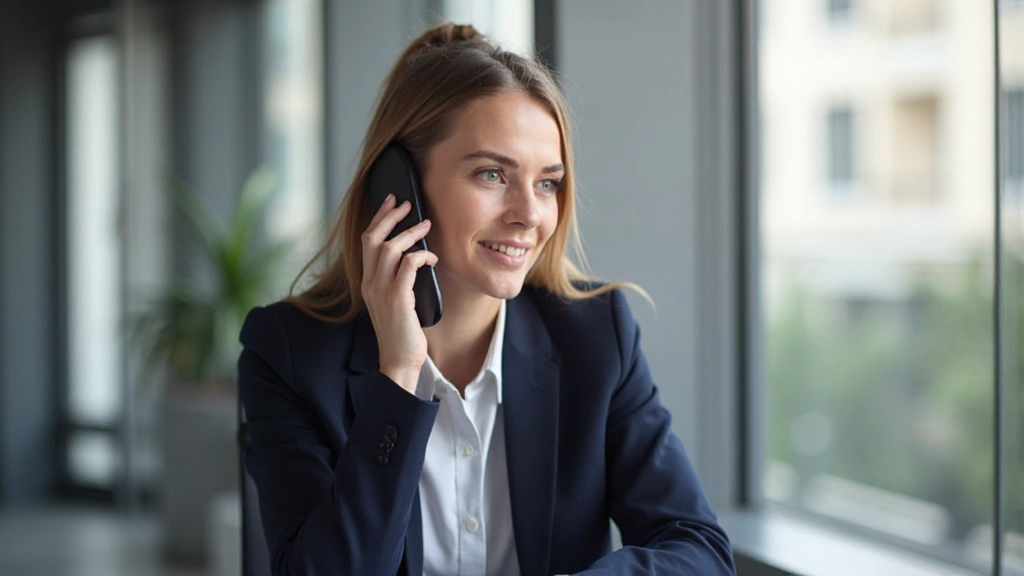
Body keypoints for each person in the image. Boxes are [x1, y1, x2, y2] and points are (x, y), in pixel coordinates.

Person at [238, 22, 735, 576]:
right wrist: (399, 378)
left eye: (547, 182)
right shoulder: (288, 355)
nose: (528, 214)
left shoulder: (597, 338)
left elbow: (698, 551)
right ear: (397, 188)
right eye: (492, 174)